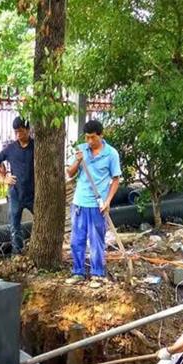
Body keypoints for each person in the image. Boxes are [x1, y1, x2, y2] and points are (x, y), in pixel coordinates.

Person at [66, 119, 121, 282]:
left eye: (92, 138)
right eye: (87, 138)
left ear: (101, 135)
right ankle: (78, 272)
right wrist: (77, 160)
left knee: (96, 240)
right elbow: (70, 173)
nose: (89, 141)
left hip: (98, 205)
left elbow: (116, 179)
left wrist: (108, 201)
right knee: (77, 240)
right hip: (79, 203)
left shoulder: (111, 154)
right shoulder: (81, 150)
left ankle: (97, 274)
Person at [0, 116, 35, 255]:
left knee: (41, 221)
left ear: (28, 130)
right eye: (16, 132)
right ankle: (17, 253)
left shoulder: (36, 146)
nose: (18, 135)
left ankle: (36, 248)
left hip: (33, 193)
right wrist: (4, 178)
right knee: (15, 226)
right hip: (16, 193)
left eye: (21, 131)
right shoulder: (10, 148)